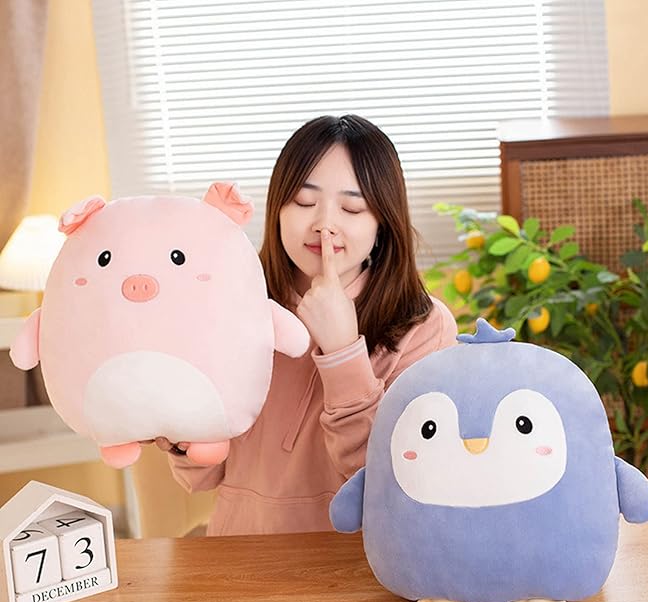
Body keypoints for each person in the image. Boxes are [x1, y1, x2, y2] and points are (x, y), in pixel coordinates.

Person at [157, 114, 457, 536]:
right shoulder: (229, 300)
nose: (324, 224)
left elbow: (394, 482)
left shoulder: (423, 326)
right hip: (238, 550)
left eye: (352, 207)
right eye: (302, 201)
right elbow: (202, 476)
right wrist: (180, 434)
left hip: (355, 562)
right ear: (277, 209)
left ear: (382, 224)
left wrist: (343, 351)